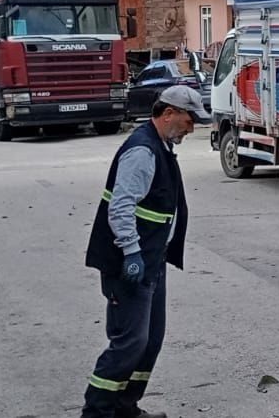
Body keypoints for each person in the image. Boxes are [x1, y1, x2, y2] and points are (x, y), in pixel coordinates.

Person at [81, 85, 210, 418]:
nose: (192, 127)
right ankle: (96, 412)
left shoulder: (161, 146)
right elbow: (121, 207)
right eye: (189, 118)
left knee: (150, 340)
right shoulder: (143, 151)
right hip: (130, 263)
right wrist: (132, 252)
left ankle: (126, 406)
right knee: (130, 342)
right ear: (168, 114)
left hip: (151, 260)